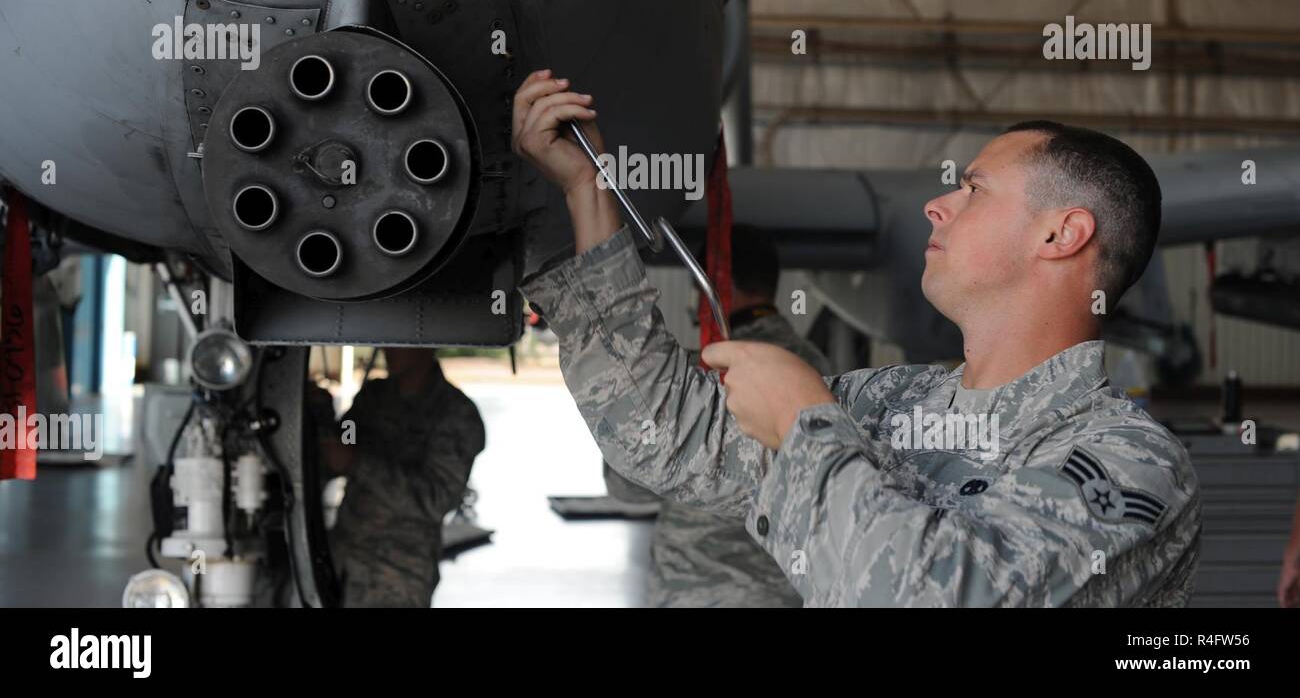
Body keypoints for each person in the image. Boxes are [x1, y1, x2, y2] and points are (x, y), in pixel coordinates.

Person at [512, 70, 1201, 607]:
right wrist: (586, 190)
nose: (938, 204)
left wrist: (803, 423)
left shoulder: (1130, 461)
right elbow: (660, 430)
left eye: (974, 189)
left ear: (1061, 233)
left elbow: (931, 594)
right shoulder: (886, 402)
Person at [604, 224, 831, 607]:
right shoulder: (823, 369)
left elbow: (626, 486)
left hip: (699, 591)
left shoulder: (698, 377)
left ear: (714, 284)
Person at [324, 347, 485, 607]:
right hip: (341, 562)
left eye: (401, 341)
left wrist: (357, 462)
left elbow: (437, 499)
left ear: (427, 345)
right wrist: (320, 416)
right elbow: (345, 438)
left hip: (396, 577)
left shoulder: (456, 413)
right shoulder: (374, 397)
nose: (390, 349)